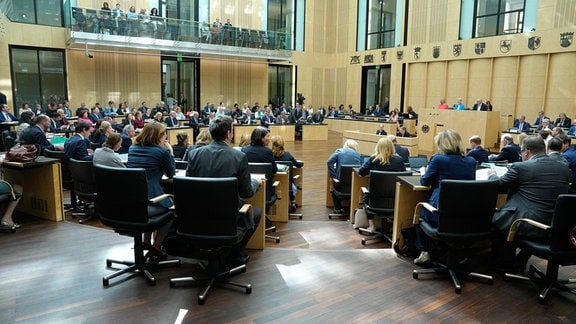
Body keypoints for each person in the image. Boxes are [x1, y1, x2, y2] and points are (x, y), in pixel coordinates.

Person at [185, 116, 263, 266]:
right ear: (229, 134)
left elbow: (189, 184)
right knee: (256, 213)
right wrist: (255, 182)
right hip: (227, 216)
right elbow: (247, 192)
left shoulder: (194, 154)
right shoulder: (239, 157)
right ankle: (234, 255)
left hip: (197, 214)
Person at [488, 136, 570, 272]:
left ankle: (507, 264)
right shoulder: (563, 167)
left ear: (526, 151)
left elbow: (499, 184)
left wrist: (492, 174)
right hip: (555, 223)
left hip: (529, 222)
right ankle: (520, 260)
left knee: (494, 222)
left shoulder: (521, 167)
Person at [414, 130, 477, 265]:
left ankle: (424, 251)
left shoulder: (438, 159)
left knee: (418, 215)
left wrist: (423, 172)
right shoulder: (471, 161)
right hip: (465, 213)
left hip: (439, 211)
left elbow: (425, 182)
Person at [127, 122, 175, 256]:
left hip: (132, 199)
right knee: (171, 211)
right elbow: (171, 174)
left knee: (149, 208)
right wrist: (170, 152)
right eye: (164, 134)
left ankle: (146, 242)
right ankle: (157, 246)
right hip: (151, 198)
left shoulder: (133, 148)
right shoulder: (162, 151)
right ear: (159, 136)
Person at [358, 137, 406, 231]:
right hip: (395, 200)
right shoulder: (399, 160)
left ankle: (371, 225)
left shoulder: (373, 159)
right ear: (392, 147)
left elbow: (361, 172)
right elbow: (404, 177)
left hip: (374, 201)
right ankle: (392, 225)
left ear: (378, 147)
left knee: (366, 195)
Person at [327, 140, 362, 214]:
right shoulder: (358, 155)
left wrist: (333, 176)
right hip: (354, 184)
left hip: (340, 183)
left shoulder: (339, 152)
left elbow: (329, 162)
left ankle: (337, 208)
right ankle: (351, 209)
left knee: (333, 187)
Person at [271, 135, 304, 211]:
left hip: (273, 184)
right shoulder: (287, 155)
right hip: (288, 185)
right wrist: (302, 163)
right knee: (292, 186)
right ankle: (292, 202)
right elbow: (298, 165)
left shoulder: (269, 155)